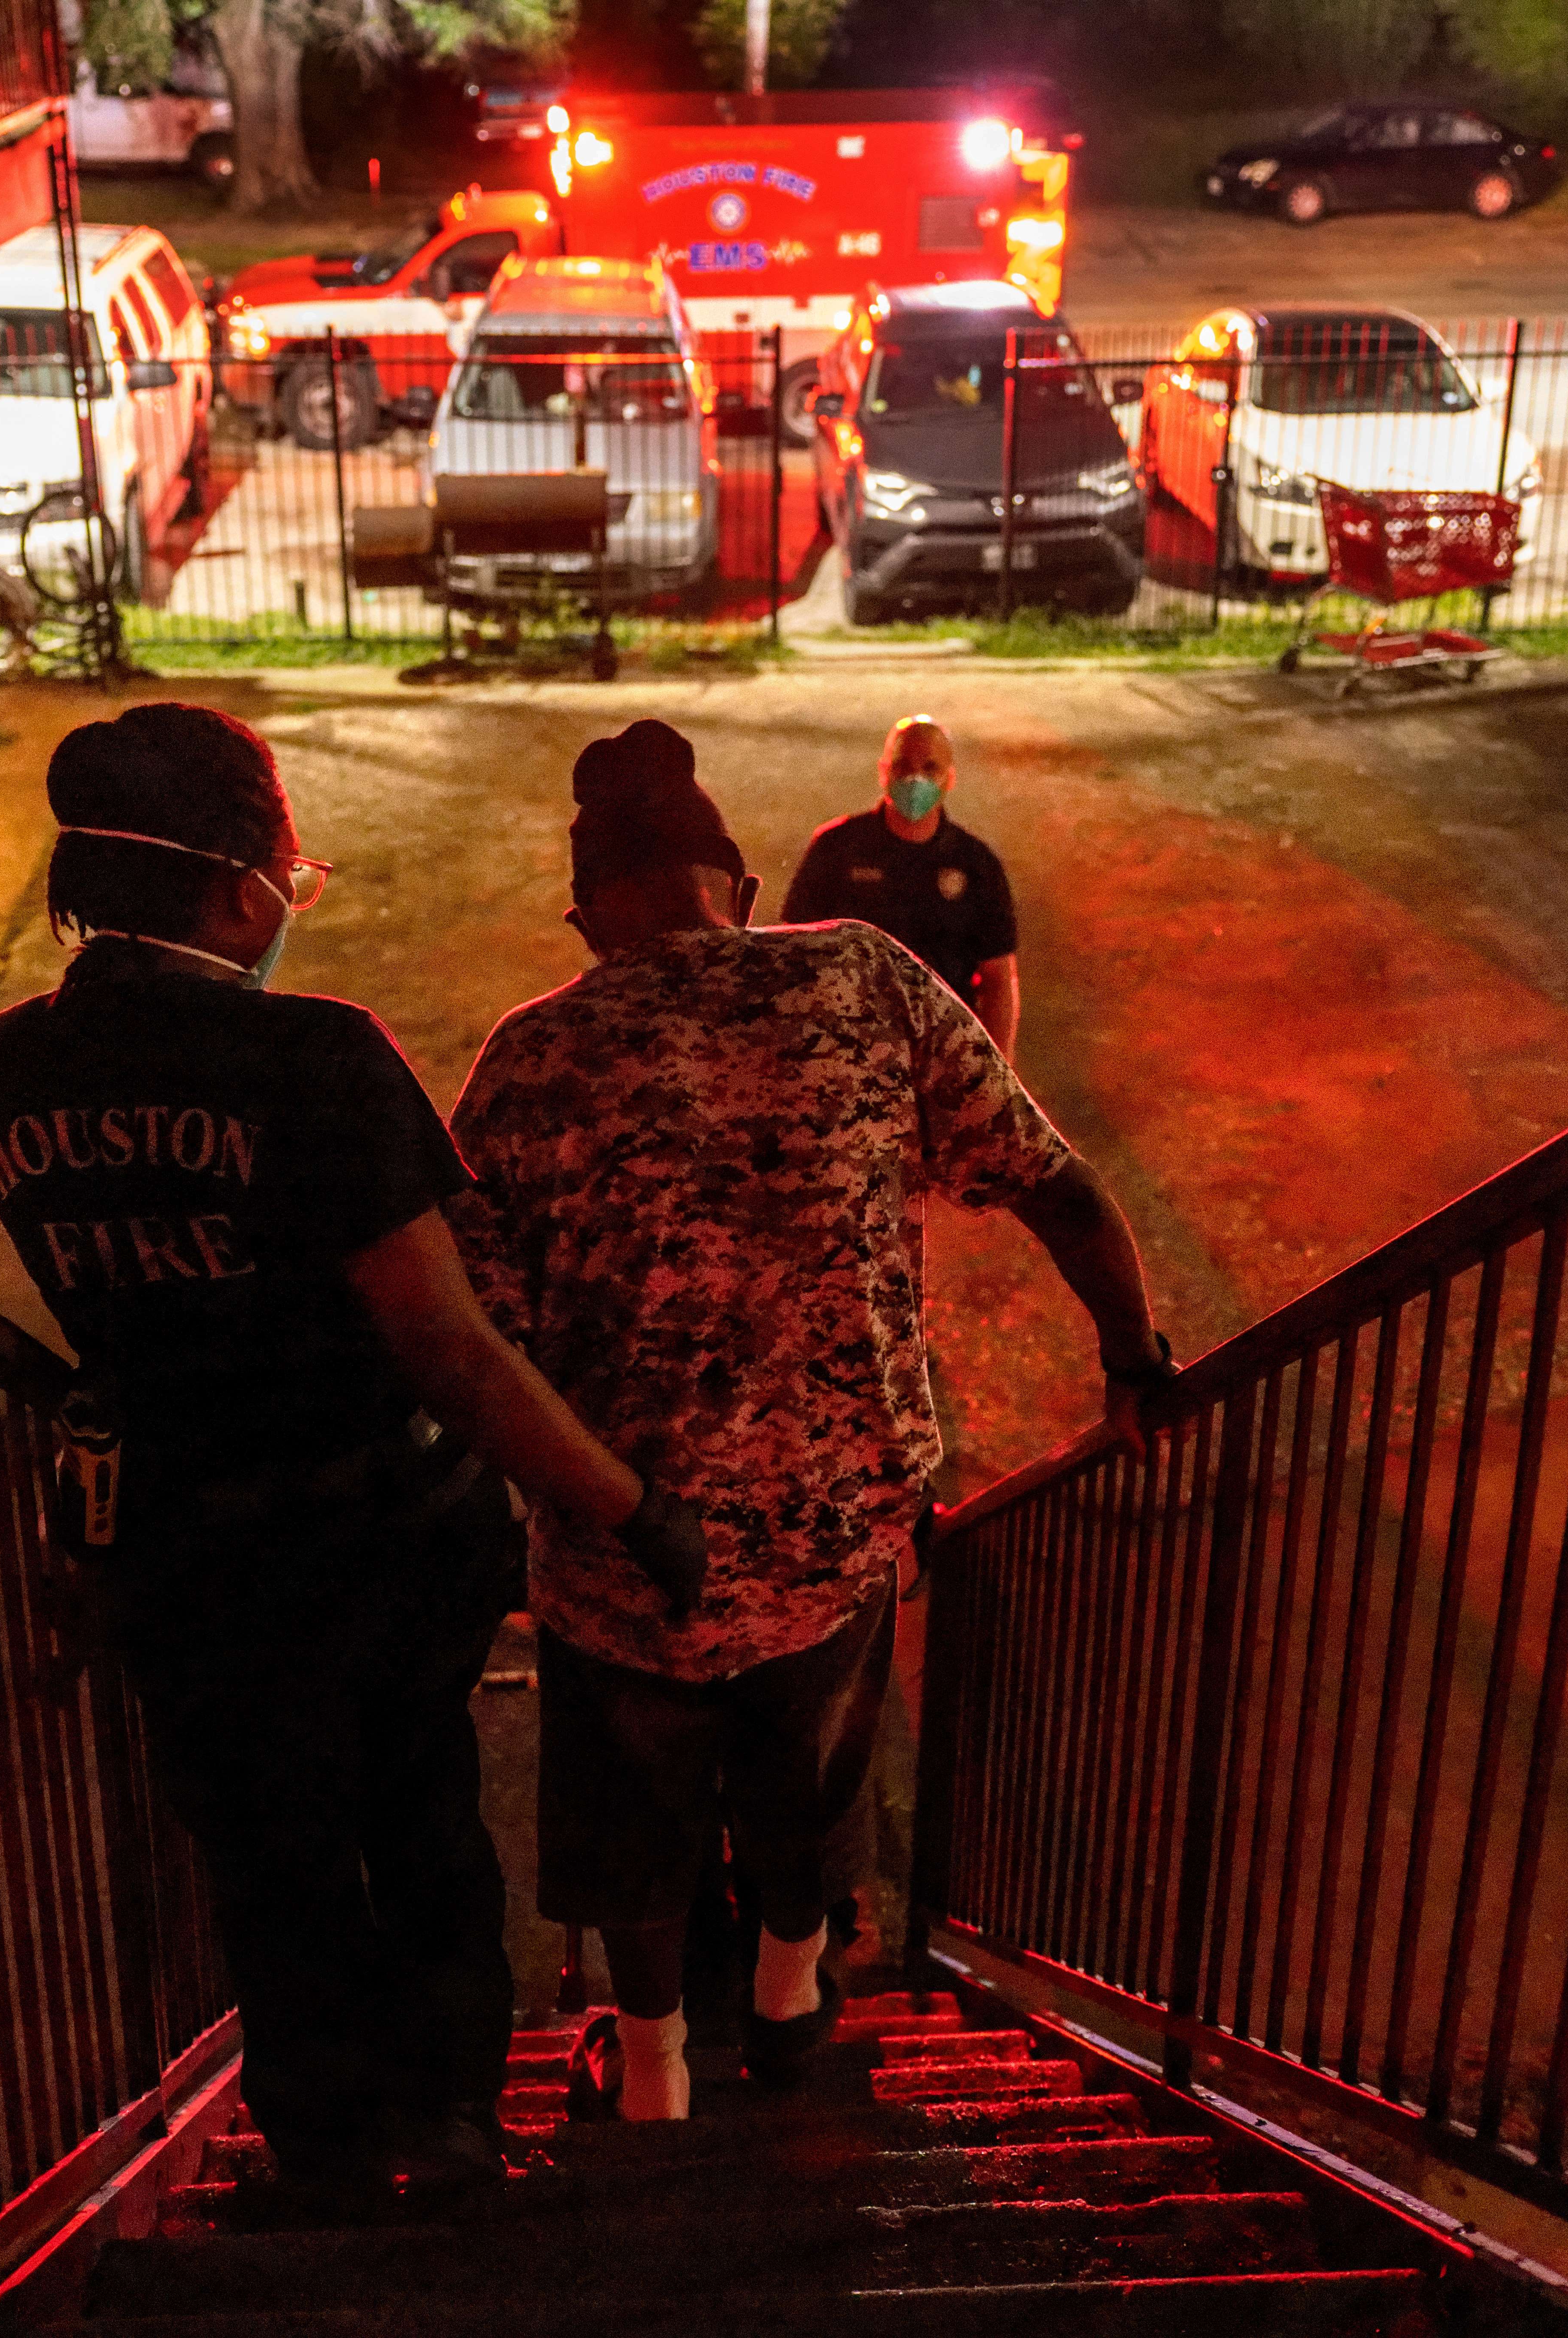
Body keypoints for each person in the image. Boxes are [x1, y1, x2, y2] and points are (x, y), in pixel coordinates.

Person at [0, 703, 705, 2214]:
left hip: (180, 1546)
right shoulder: (310, 1056)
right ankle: (441, 2123)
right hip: (367, 1538)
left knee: (265, 1856)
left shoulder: (13, 1069)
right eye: (293, 883)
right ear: (240, 887)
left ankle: (315, 2144)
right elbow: (450, 1344)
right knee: (418, 1818)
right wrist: (626, 1505)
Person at [450, 718, 1169, 2123]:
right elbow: (1057, 1184)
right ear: (739, 881)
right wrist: (1131, 1354)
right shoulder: (863, 975)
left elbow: (475, 1344)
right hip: (833, 1530)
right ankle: (788, 2003)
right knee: (815, 1766)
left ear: (588, 911)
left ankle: (651, 2074)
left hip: (624, 1553)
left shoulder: (528, 1060)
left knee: (634, 1813)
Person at [780, 714, 1021, 1057]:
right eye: (903, 765)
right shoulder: (836, 848)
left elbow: (998, 980)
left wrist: (999, 1072)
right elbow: (795, 951)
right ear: (884, 771)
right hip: (850, 1048)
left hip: (944, 1051)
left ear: (949, 779)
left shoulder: (976, 864)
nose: (915, 778)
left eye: (930, 767)